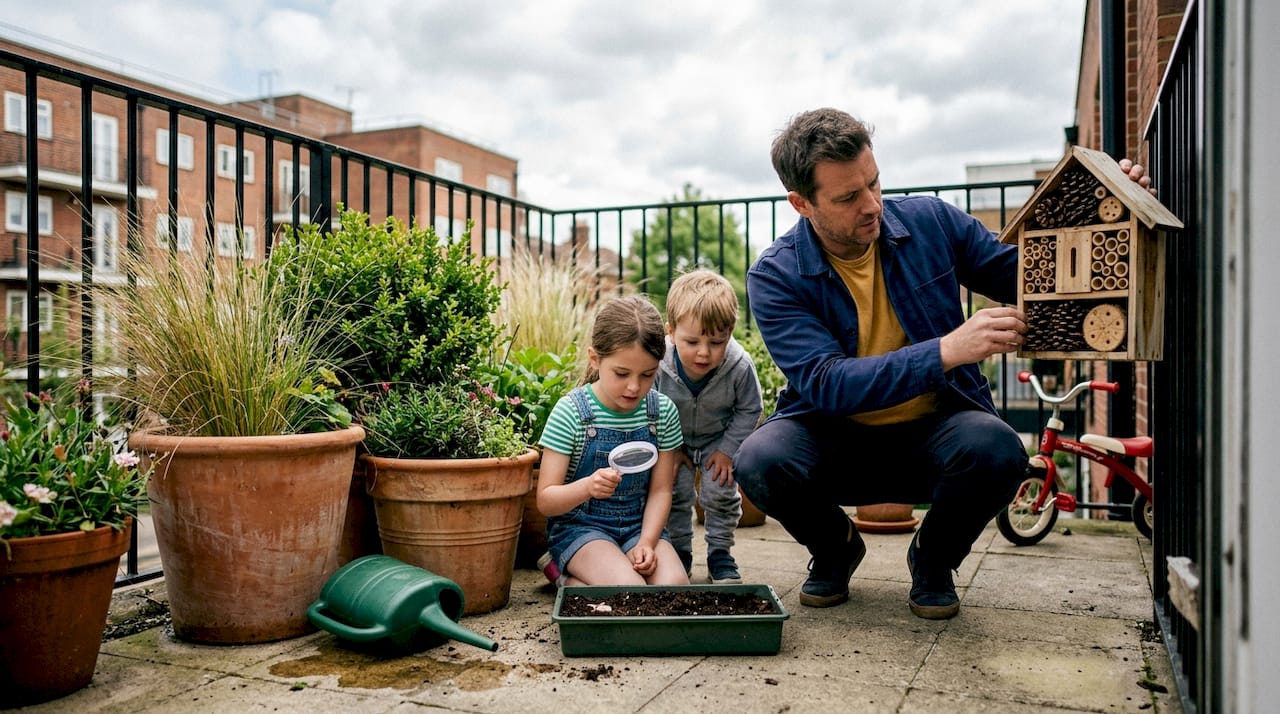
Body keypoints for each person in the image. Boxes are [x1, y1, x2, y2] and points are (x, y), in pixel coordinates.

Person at [734, 107, 1153, 619]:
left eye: (874, 182)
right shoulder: (775, 275)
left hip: (935, 428)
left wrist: (1097, 212)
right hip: (833, 434)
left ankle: (933, 561)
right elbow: (828, 384)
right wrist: (947, 349)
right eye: (848, 197)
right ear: (801, 203)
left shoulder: (931, 222)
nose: (872, 205)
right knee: (758, 461)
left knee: (1000, 449)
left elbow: (1031, 279)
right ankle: (835, 550)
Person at [536, 294, 690, 587]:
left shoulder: (663, 413)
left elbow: (660, 491)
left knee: (674, 587)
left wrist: (647, 541)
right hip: (581, 530)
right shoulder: (571, 412)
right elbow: (545, 499)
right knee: (629, 589)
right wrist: (587, 486)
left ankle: (585, 584)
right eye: (621, 373)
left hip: (638, 526)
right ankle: (564, 575)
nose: (634, 387)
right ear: (595, 359)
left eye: (647, 375)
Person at [656, 269, 763, 583]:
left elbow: (750, 408)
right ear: (671, 332)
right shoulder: (659, 363)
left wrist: (728, 451)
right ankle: (679, 552)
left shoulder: (739, 366)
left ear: (729, 332)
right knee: (674, 492)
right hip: (672, 441)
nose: (704, 352)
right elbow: (649, 408)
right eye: (692, 341)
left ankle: (720, 553)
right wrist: (671, 449)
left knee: (720, 494)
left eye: (716, 341)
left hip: (718, 438)